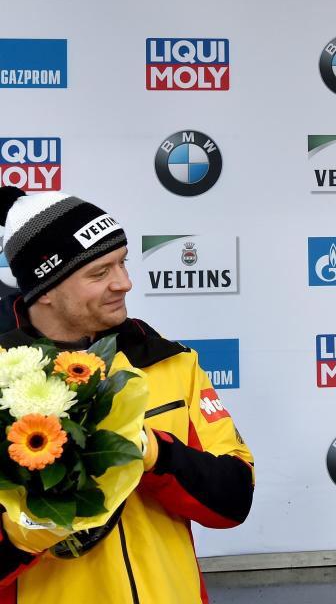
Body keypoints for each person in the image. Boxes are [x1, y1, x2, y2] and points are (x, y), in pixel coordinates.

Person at [0, 186, 255, 603]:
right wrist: (29, 529)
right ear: (44, 288)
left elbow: (234, 499)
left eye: (123, 263)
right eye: (99, 273)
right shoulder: (2, 378)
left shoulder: (170, 362)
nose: (125, 283)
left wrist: (152, 451)